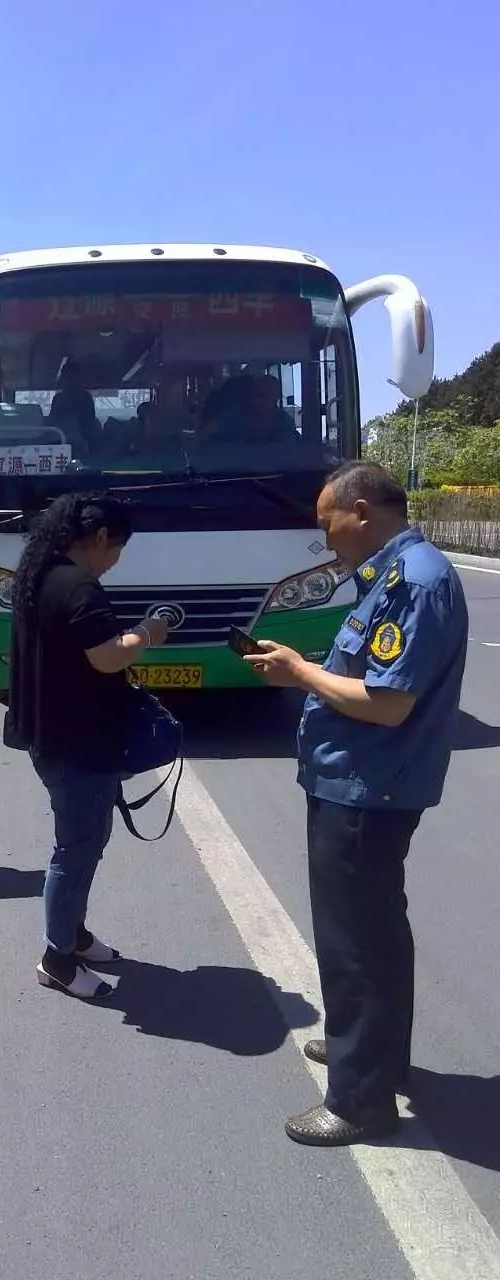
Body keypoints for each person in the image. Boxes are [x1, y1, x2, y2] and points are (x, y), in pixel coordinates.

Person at [243, 461, 468, 1146]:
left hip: (370, 785)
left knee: (355, 946)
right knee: (373, 934)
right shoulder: (391, 576)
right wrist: (312, 664)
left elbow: (389, 703)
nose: (325, 539)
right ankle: (373, 1056)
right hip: (362, 780)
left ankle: (360, 1101)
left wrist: (299, 672)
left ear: (361, 510)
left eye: (328, 523)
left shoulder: (415, 581)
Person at [5, 493, 169, 1000]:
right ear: (99, 539)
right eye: (116, 548)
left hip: (51, 735)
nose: (115, 560)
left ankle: (72, 935)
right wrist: (147, 632)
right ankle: (57, 958)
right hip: (78, 741)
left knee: (85, 842)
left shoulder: (42, 574)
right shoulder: (80, 587)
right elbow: (107, 658)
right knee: (76, 851)